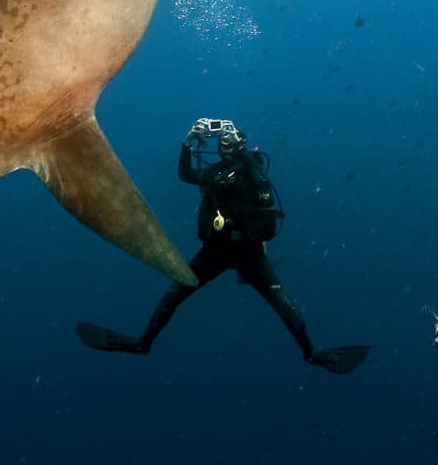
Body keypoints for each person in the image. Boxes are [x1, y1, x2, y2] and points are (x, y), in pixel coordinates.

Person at [76, 118, 370, 374]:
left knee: (283, 305)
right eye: (223, 140)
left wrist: (235, 231)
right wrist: (188, 143)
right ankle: (143, 343)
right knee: (174, 294)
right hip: (215, 252)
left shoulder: (254, 175)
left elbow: (268, 226)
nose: (224, 145)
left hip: (247, 253)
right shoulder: (215, 174)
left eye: (230, 140)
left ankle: (311, 352)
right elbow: (186, 175)